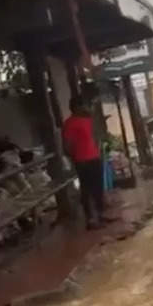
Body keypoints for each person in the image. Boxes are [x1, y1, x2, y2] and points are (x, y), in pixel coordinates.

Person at [62, 95, 106, 229]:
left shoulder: (88, 120)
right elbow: (67, 145)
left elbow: (96, 137)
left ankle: (100, 215)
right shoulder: (70, 123)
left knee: (98, 188)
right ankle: (91, 219)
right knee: (87, 190)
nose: (86, 108)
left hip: (95, 158)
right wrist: (75, 156)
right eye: (83, 105)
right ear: (76, 107)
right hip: (82, 161)